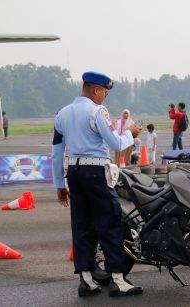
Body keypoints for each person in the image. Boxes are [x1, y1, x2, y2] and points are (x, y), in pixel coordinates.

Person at [52, 71, 143, 297]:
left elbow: (56, 152)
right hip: (95, 171)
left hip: (73, 171)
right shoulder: (97, 111)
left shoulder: (62, 114)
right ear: (95, 90)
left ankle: (86, 280)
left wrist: (59, 185)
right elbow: (115, 143)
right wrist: (130, 134)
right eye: (104, 92)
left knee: (81, 225)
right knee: (110, 221)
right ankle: (118, 279)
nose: (105, 97)